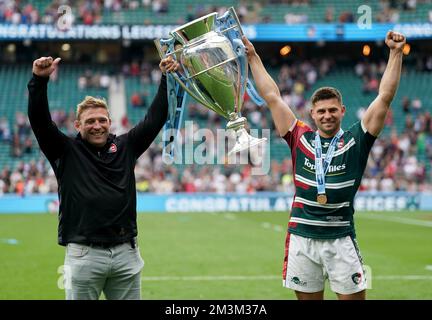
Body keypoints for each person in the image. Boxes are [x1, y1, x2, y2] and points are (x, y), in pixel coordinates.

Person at [242, 31, 405, 300]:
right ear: (312, 114)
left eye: (332, 110)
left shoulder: (357, 140)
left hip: (340, 237)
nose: (327, 115)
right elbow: (272, 96)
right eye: (321, 111)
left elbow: (385, 96)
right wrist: (252, 56)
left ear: (342, 110)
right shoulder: (299, 137)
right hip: (302, 238)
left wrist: (396, 52)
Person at [27, 55, 178, 300]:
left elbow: (154, 119)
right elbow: (40, 123)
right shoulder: (64, 150)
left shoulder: (126, 146)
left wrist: (166, 77)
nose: (97, 125)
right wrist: (39, 81)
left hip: (126, 253)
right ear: (78, 125)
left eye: (102, 120)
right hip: (85, 255)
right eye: (90, 121)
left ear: (109, 122)